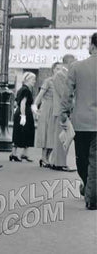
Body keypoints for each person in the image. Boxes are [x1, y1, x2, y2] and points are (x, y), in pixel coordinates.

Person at [60, 32, 97, 210]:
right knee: (95, 160)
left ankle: (90, 192)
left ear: (92, 46)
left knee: (82, 159)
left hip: (81, 121)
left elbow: (67, 94)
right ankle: (91, 191)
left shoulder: (76, 67)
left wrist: (63, 113)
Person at [50, 54, 77, 171]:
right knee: (62, 139)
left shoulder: (63, 74)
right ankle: (59, 163)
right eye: (74, 61)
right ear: (69, 62)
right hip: (62, 111)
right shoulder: (61, 75)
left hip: (62, 111)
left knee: (62, 138)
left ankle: (57, 162)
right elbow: (64, 94)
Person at [34, 62, 61, 168]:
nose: (59, 70)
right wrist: (35, 107)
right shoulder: (48, 81)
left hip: (56, 109)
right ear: (53, 69)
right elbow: (40, 95)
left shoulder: (62, 81)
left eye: (60, 68)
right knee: (46, 133)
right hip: (47, 109)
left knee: (53, 135)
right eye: (57, 68)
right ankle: (43, 158)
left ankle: (47, 158)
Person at [10, 72, 37, 162]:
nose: (34, 81)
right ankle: (16, 154)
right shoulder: (26, 90)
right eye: (33, 79)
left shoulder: (22, 89)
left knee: (22, 132)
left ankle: (20, 153)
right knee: (22, 132)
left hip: (23, 112)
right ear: (27, 80)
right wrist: (23, 115)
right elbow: (23, 103)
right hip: (24, 113)